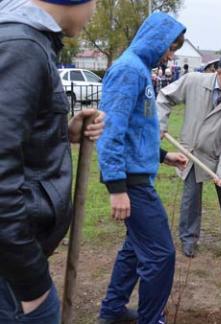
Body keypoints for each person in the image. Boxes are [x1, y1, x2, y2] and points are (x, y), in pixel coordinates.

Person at [0, 1, 105, 323]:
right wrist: (31, 282)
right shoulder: (22, 46)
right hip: (11, 270)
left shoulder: (24, 39)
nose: (94, 12)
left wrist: (61, 131)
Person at [96, 13, 187, 324]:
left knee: (135, 249)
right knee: (161, 255)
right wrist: (117, 188)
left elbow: (136, 129)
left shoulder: (140, 70)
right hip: (131, 184)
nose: (170, 55)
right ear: (156, 40)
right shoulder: (128, 70)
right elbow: (111, 130)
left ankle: (112, 312)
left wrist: (162, 156)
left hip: (136, 174)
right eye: (169, 47)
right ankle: (151, 319)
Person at [157, 52, 221, 258]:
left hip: (218, 153)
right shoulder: (194, 81)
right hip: (191, 152)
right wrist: (160, 124)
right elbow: (164, 97)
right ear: (219, 72)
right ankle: (189, 238)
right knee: (191, 197)